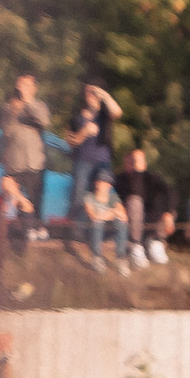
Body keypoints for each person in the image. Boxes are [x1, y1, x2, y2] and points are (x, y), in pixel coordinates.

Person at [0, 74, 51, 226]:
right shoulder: (9, 108)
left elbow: (44, 120)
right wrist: (15, 111)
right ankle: (19, 232)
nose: (22, 89)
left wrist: (28, 101)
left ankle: (36, 229)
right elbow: (6, 132)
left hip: (34, 162)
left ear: (34, 89)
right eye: (21, 85)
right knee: (17, 201)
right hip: (15, 163)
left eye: (27, 86)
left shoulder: (39, 106)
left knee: (35, 199)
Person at [66, 81, 122, 218]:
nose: (91, 95)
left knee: (102, 196)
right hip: (82, 162)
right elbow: (70, 142)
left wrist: (104, 95)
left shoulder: (105, 115)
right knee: (79, 196)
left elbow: (118, 112)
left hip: (103, 163)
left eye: (94, 92)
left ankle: (97, 230)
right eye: (88, 92)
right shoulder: (76, 116)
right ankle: (77, 231)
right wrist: (83, 132)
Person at [115, 146, 171, 266]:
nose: (134, 165)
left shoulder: (152, 177)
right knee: (135, 201)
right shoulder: (119, 179)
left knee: (163, 200)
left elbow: (169, 192)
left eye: (137, 161)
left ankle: (156, 242)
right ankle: (136, 246)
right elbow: (131, 193)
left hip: (151, 218)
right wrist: (137, 175)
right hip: (128, 218)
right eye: (131, 162)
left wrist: (169, 213)